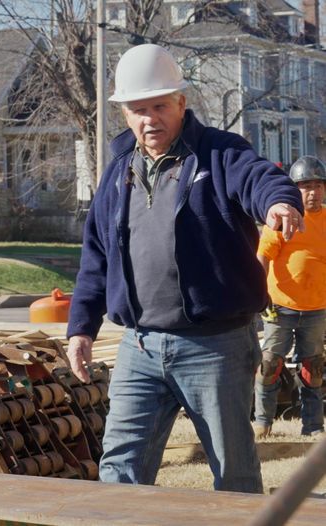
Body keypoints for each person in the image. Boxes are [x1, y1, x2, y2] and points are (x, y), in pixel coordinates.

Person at [66, 44, 304, 493]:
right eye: (138, 109)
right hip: (138, 346)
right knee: (119, 471)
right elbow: (96, 255)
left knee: (233, 473)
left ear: (182, 102)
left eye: (159, 106)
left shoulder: (219, 153)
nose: (149, 119)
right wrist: (81, 326)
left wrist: (280, 201)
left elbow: (259, 178)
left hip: (215, 348)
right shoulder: (118, 168)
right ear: (124, 113)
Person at [254, 155, 326, 438]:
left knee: (313, 369)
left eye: (318, 186)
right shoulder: (284, 218)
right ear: (295, 189)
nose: (313, 192)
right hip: (279, 306)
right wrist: (260, 295)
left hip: (316, 308)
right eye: (306, 186)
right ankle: (263, 422)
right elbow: (263, 256)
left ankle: (313, 427)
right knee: (270, 364)